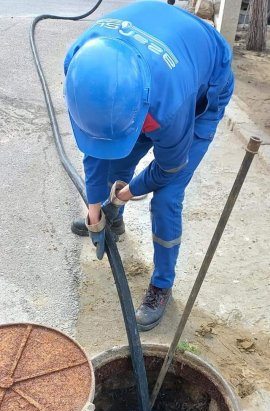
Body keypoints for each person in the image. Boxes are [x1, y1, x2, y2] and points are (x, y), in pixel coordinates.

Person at [64, 0, 234, 331]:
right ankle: (114, 222)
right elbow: (94, 145)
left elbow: (168, 167)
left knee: (168, 196)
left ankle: (162, 285)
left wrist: (125, 194)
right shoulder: (80, 64)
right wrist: (97, 210)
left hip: (205, 80)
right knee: (115, 161)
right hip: (159, 54)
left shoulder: (170, 106)